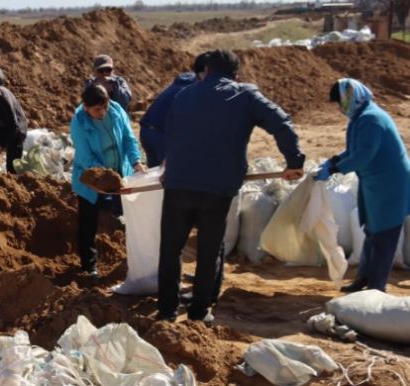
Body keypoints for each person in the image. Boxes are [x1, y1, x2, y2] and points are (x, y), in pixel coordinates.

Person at [158, 50, 305, 323]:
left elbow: (172, 134)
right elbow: (280, 122)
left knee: (171, 249)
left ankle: (166, 312)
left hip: (178, 184)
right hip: (217, 189)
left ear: (206, 70)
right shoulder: (245, 95)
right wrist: (294, 160)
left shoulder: (183, 96)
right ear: (236, 74)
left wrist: (169, 168)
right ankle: (198, 314)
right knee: (209, 251)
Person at [316, 78, 410, 293]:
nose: (339, 109)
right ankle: (363, 279)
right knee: (372, 231)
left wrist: (334, 169)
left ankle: (376, 288)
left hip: (390, 182)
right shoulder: (360, 117)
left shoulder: (371, 119)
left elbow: (364, 155)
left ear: (350, 98)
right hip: (374, 181)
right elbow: (353, 151)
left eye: (340, 103)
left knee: (384, 235)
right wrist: (333, 161)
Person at [71, 84, 145, 278]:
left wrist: (136, 161)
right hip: (91, 180)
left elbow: (129, 138)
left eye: (105, 107)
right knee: (88, 222)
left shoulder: (117, 110)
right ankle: (89, 266)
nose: (102, 112)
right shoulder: (79, 123)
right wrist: (108, 181)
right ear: (86, 107)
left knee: (130, 218)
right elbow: (86, 157)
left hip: (120, 174)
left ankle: (134, 262)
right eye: (97, 110)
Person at [140, 52, 210, 167]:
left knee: (156, 177)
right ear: (205, 72)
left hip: (147, 131)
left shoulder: (186, 81)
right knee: (173, 176)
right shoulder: (193, 90)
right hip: (161, 136)